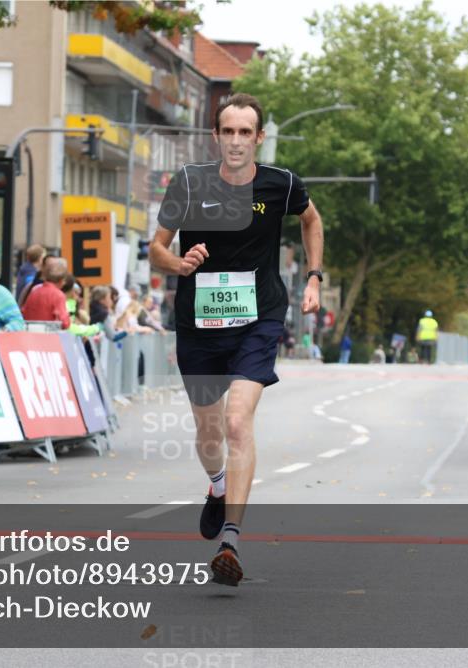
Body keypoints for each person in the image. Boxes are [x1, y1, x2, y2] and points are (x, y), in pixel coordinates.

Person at [148, 93, 323, 586]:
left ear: (259, 138)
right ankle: (218, 485)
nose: (237, 140)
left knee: (237, 422)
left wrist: (314, 278)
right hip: (199, 324)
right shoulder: (188, 182)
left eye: (247, 132)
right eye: (229, 131)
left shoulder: (282, 184)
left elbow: (311, 219)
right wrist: (179, 264)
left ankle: (230, 541)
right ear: (216, 136)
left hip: (257, 318)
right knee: (209, 437)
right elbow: (156, 249)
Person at [21, 256, 70, 328]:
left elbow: (23, 313)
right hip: (49, 336)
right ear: (62, 281)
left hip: (31, 335)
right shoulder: (58, 295)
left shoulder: (34, 291)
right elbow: (65, 323)